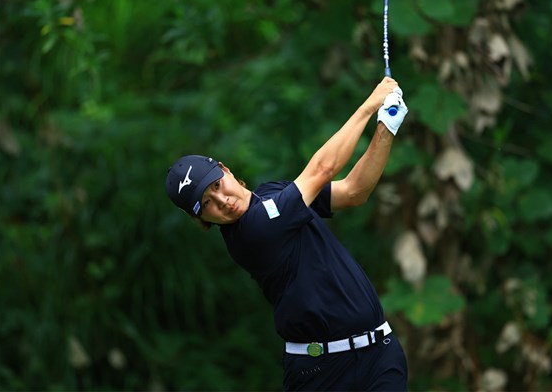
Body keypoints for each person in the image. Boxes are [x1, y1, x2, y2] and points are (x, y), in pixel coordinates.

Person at [165, 77, 408, 391]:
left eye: (216, 186)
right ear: (197, 217)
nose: (222, 201)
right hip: (322, 372)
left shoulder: (273, 194)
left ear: (225, 170)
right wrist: (369, 105)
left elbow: (352, 191)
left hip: (380, 354)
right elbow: (322, 169)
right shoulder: (252, 232)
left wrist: (385, 127)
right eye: (207, 204)